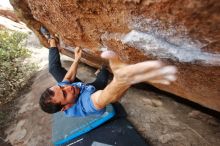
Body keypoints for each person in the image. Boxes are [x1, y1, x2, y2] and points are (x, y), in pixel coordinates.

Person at [39, 26, 177, 117]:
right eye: (64, 93)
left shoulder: (65, 88)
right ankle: (103, 72)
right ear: (65, 107)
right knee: (103, 76)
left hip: (81, 90)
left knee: (53, 69)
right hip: (91, 91)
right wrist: (122, 81)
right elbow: (103, 98)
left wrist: (76, 59)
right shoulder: (85, 105)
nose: (67, 88)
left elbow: (67, 79)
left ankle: (51, 40)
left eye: (61, 87)